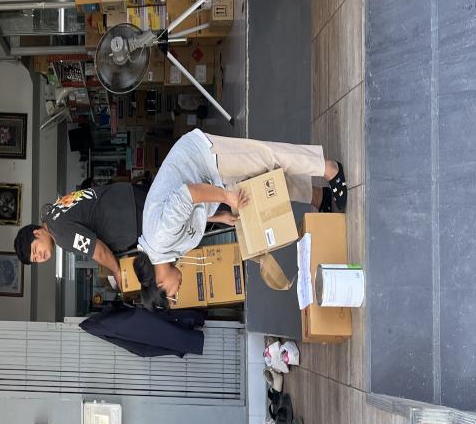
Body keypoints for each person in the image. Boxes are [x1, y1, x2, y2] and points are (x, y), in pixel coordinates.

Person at [134, 129, 346, 310]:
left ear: (160, 284)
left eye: (173, 296)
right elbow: (184, 215)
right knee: (263, 186)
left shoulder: (160, 238)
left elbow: (188, 194)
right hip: (205, 177)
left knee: (267, 158)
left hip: (202, 157)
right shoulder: (163, 252)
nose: (178, 292)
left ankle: (328, 168)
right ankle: (319, 197)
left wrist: (226, 197)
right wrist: (218, 216)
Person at [14, 182, 148, 283]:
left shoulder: (60, 233)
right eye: (35, 259)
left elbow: (98, 251)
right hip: (126, 194)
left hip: (130, 216)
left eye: (35, 250)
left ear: (37, 233)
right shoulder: (55, 210)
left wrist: (117, 271)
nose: (40, 256)